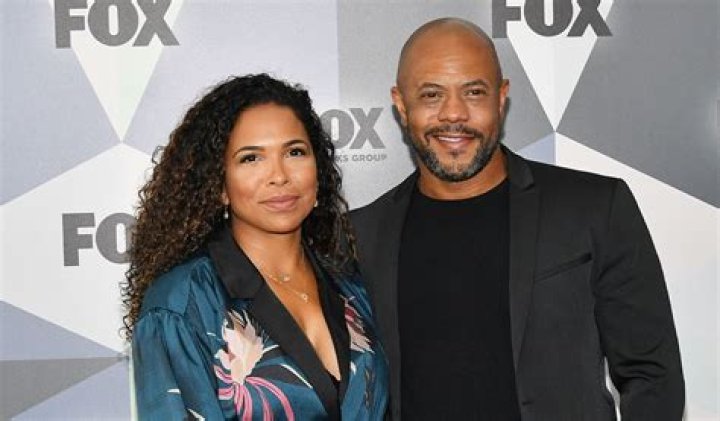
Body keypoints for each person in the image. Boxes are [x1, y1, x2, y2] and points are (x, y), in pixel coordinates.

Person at [350, 18, 684, 420]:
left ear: (501, 97)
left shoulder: (593, 208)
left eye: (474, 92)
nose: (453, 113)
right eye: (431, 94)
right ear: (402, 105)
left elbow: (653, 376)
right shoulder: (360, 236)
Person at [123, 74, 388, 420]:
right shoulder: (182, 306)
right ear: (219, 185)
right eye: (251, 158)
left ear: (318, 169)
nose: (279, 176)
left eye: (295, 152)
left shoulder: (351, 285)